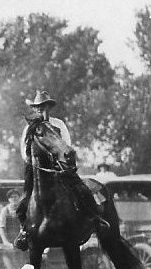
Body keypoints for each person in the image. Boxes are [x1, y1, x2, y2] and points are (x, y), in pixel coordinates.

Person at [13, 90, 110, 251]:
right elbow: (24, 150)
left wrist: (59, 162)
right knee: (24, 201)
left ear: (49, 107)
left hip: (60, 168)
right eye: (38, 107)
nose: (42, 110)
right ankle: (24, 231)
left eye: (45, 106)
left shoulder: (58, 124)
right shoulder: (30, 127)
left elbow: (67, 145)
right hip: (37, 169)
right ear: (35, 108)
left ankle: (95, 219)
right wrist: (34, 162)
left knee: (81, 189)